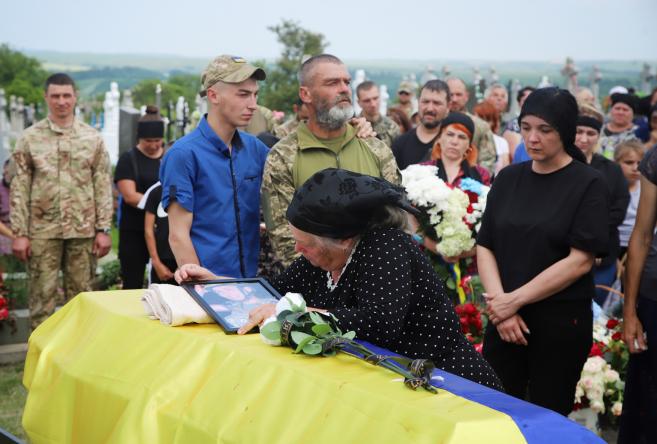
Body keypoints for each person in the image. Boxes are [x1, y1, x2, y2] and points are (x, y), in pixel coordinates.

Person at [178, 168, 503, 391]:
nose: (298, 250)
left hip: (449, 384)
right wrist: (217, 282)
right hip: (396, 384)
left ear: (343, 239)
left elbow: (379, 322)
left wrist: (297, 313)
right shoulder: (318, 259)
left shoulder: (387, 246)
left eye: (305, 243)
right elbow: (272, 295)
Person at [476, 87, 609, 415]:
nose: (533, 138)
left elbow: (580, 261)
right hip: (505, 319)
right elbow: (486, 244)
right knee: (494, 412)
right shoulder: (508, 178)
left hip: (558, 322)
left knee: (546, 416)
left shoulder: (588, 183)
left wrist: (514, 301)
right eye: (526, 128)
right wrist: (502, 306)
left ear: (564, 131)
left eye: (544, 129)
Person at [262, 54, 400, 268]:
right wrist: (331, 281)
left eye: (346, 82)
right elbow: (286, 240)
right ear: (305, 94)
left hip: (376, 275)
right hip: (312, 282)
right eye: (332, 83)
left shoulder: (376, 148)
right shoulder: (283, 157)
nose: (344, 89)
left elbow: (395, 221)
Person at [10, 73, 112, 329]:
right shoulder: (29, 138)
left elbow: (102, 184)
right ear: (46, 98)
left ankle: (78, 352)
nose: (61, 101)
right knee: (41, 300)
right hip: (42, 232)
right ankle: (41, 352)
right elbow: (19, 187)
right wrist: (20, 233)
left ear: (75, 97)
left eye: (67, 95)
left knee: (81, 300)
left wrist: (103, 229)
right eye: (55, 96)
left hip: (83, 230)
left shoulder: (92, 138)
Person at [160, 55, 270, 278]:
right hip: (209, 285)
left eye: (255, 94)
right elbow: (178, 236)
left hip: (251, 284)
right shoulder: (183, 155)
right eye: (243, 94)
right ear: (213, 95)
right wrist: (203, 288)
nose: (253, 105)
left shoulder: (256, 149)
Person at [618, 144, 657, 443]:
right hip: (654, 298)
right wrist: (629, 312)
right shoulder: (655, 158)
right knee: (648, 405)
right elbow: (641, 236)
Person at [574, 106, 629, 305]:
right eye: (579, 132)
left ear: (598, 136)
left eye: (591, 133)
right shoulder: (560, 165)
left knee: (598, 305)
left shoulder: (611, 170)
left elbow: (619, 209)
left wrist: (593, 245)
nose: (584, 138)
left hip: (602, 253)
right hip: (563, 251)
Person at [114, 106, 165, 288]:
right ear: (139, 138)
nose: (153, 145)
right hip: (133, 230)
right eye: (148, 141)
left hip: (163, 232)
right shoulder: (128, 160)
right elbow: (129, 195)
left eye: (157, 141)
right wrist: (159, 206)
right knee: (132, 282)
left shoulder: (169, 156)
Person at [391, 80, 450, 170]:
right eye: (425, 102)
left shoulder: (454, 144)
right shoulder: (400, 145)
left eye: (437, 103)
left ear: (448, 107)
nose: (430, 108)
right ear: (418, 102)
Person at [446, 77, 497, 173]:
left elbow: (488, 160)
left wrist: (476, 179)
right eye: (450, 95)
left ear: (466, 96)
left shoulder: (480, 126)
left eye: (458, 94)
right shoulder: (435, 124)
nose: (454, 99)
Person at [615, 140, 645, 260]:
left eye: (640, 163)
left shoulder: (649, 188)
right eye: (629, 162)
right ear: (616, 163)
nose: (635, 168)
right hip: (615, 243)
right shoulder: (607, 187)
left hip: (643, 245)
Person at [143, 182, 176, 285]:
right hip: (161, 259)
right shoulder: (155, 192)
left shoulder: (192, 190)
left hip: (187, 260)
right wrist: (156, 263)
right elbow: (148, 230)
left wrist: (187, 262)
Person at [356, 81, 401, 147]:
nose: (373, 104)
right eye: (367, 101)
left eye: (375, 98)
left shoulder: (392, 127)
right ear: (359, 103)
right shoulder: (354, 127)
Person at [599, 93, 641, 159]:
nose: (620, 112)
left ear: (633, 113)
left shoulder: (639, 133)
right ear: (611, 110)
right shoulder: (599, 130)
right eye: (617, 108)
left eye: (625, 110)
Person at [473, 101, 510, 175]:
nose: (481, 123)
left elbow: (505, 169)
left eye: (486, 120)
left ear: (493, 122)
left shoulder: (501, 142)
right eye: (478, 119)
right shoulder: (467, 139)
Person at [502, 86, 535, 159]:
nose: (529, 103)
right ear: (519, 103)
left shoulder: (545, 122)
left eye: (533, 100)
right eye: (525, 100)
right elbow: (515, 156)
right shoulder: (513, 125)